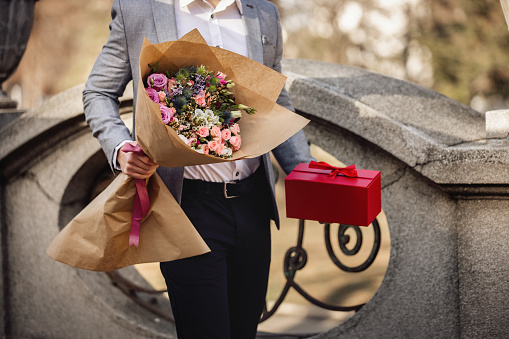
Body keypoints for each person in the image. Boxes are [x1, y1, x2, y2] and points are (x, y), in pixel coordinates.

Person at [83, 0, 314, 338]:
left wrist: (308, 174)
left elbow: (275, 102)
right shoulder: (140, 10)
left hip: (253, 204)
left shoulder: (263, 13)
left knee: (243, 331)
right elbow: (99, 91)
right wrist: (120, 148)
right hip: (186, 208)